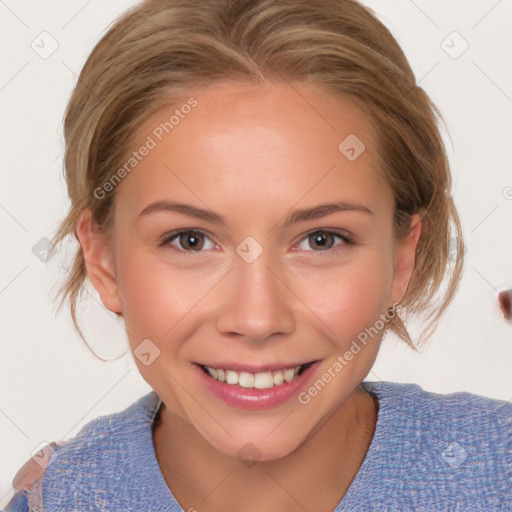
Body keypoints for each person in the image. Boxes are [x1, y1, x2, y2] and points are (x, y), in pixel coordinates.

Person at [4, 0, 511, 511]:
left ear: (402, 257)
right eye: (190, 240)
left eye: (321, 240)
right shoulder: (58, 497)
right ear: (103, 259)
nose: (256, 319)